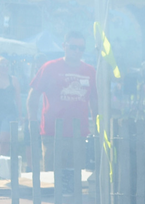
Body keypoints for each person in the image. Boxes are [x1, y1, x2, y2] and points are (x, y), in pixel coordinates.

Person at [26, 31, 97, 192]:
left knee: (75, 182)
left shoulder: (90, 71)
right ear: (64, 46)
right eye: (73, 47)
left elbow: (94, 101)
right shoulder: (50, 67)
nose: (77, 51)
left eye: (81, 48)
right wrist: (32, 122)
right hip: (52, 135)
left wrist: (97, 128)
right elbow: (33, 96)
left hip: (79, 135)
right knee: (52, 181)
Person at [0, 56, 22, 156]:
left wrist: (20, 115)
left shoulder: (13, 80)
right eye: (2, 65)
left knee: (4, 140)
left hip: (9, 113)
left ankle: (2, 159)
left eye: (7, 65)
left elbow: (18, 99)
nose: (5, 67)